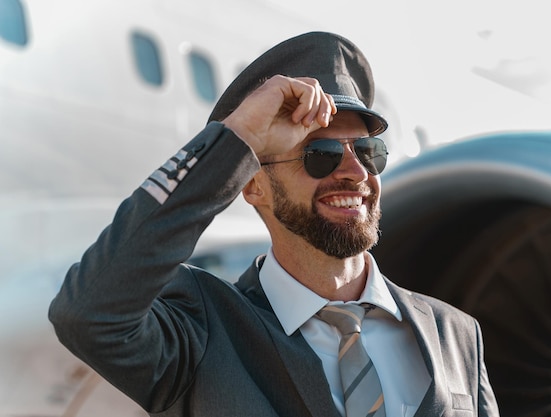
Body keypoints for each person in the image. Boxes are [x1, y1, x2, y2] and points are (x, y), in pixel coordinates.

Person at [49, 31, 499, 417]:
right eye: (319, 154)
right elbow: (88, 313)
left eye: (367, 151)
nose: (356, 172)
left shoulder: (456, 335)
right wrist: (236, 138)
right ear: (253, 185)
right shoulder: (204, 328)